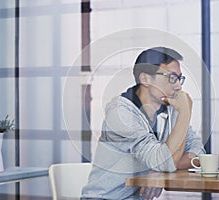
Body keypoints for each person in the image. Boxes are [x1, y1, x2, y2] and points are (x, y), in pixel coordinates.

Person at [81, 47, 205, 200]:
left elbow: (199, 154)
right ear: (145, 79)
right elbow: (166, 162)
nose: (179, 86)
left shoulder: (171, 109)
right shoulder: (120, 113)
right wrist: (186, 112)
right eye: (172, 78)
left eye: (180, 78)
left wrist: (160, 169)